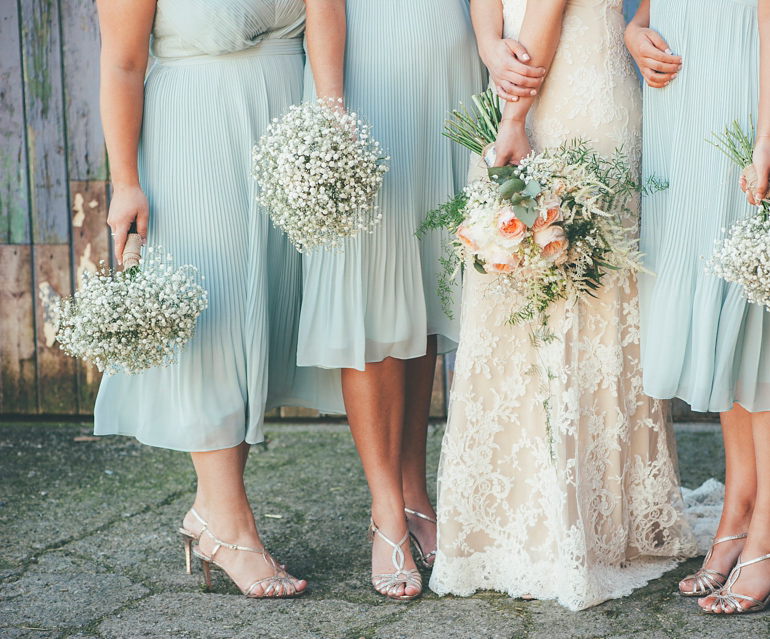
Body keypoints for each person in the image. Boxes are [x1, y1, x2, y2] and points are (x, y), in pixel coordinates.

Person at [430, 0, 700, 612]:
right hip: (533, 79)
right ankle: (572, 515)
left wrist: (513, 112)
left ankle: (562, 528)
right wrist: (489, 45)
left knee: (559, 306)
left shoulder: (521, 111)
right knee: (539, 300)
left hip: (568, 99)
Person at [93, 0, 329, 597]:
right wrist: (124, 182)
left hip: (285, 125)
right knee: (216, 315)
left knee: (257, 317)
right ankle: (230, 526)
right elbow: (122, 62)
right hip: (197, 128)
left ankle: (209, 512)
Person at [627, 0, 770, 614]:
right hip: (686, 113)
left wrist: (766, 136)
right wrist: (636, 31)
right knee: (724, 317)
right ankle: (738, 516)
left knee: (765, 321)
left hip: (752, 98)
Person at [300, 0, 483, 601]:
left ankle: (414, 490)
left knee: (423, 293)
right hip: (367, 72)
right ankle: (386, 510)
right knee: (372, 296)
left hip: (448, 72)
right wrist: (332, 109)